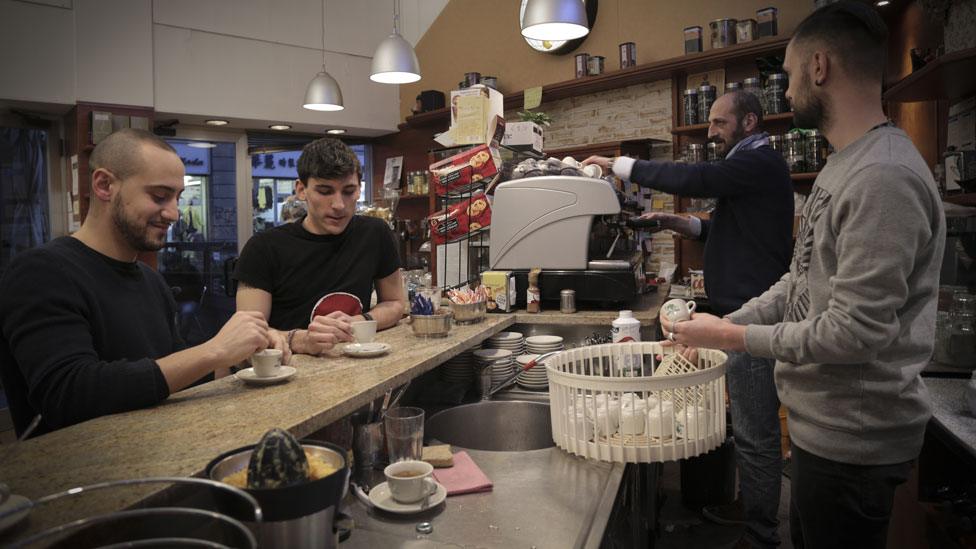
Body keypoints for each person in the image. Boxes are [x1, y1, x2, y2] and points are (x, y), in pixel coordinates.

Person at [662, 3, 946, 548]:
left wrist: (734, 337)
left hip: (855, 443)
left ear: (819, 67)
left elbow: (854, 333)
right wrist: (721, 327)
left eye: (790, 76)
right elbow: (799, 280)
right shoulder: (843, 164)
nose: (786, 94)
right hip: (825, 430)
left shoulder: (882, 176)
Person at [584, 90, 793, 548]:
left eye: (720, 123)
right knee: (748, 429)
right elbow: (723, 227)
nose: (711, 131)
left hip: (751, 320)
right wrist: (670, 222)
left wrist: (622, 165)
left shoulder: (758, 161)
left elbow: (697, 177)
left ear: (750, 122)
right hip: (738, 313)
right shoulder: (752, 169)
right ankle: (752, 509)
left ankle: (761, 537)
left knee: (756, 436)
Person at [0, 129, 277, 438]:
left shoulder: (150, 280)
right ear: (104, 185)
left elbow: (176, 375)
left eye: (177, 197)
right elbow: (68, 393)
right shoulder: (42, 271)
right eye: (159, 196)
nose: (173, 212)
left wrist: (240, 356)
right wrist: (214, 350)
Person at [235, 138, 405, 355]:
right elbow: (246, 335)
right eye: (325, 191)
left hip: (359, 368)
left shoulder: (375, 233)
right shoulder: (263, 248)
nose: (339, 205)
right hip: (287, 376)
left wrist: (359, 321)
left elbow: (394, 303)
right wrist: (300, 340)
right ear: (301, 190)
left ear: (359, 189)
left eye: (349, 191)